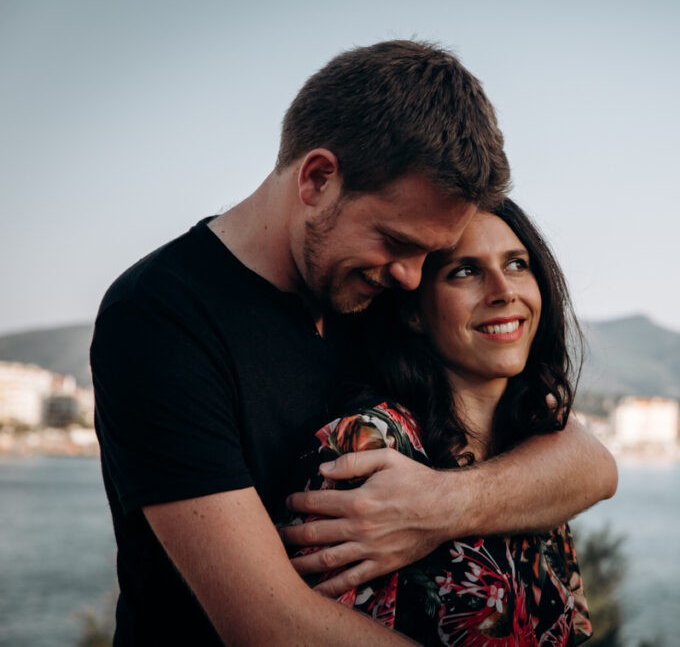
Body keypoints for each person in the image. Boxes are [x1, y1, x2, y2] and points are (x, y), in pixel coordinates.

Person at [91, 40, 617, 646]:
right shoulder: (162, 315)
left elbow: (589, 464)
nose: (411, 277)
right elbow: (267, 624)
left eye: (429, 256)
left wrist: (436, 507)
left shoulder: (371, 291)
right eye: (396, 242)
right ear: (317, 178)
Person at [289, 200, 593, 645]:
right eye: (465, 272)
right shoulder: (368, 446)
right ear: (413, 312)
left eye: (516, 264)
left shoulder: (537, 450)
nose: (503, 290)